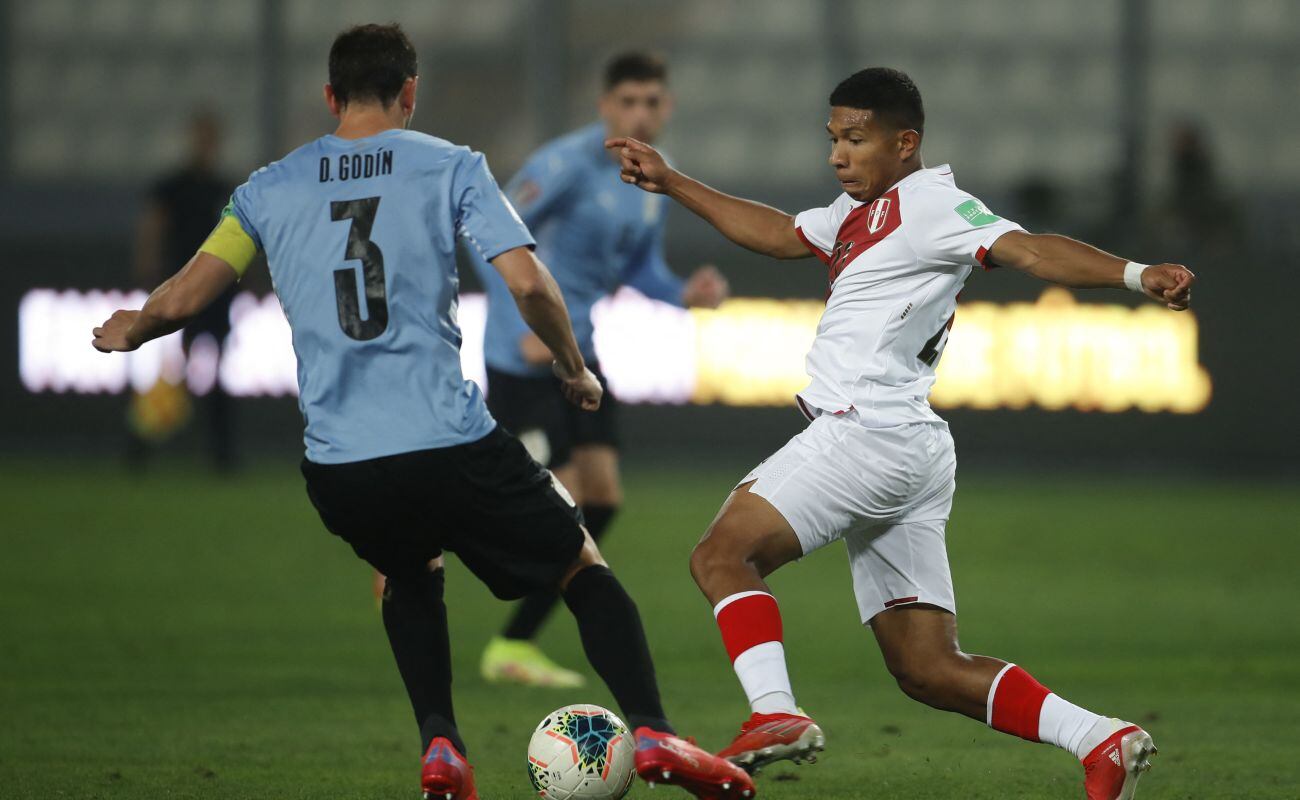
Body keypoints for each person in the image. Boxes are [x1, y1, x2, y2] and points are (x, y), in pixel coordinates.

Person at [91, 24, 753, 800]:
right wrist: (573, 367)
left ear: (329, 97)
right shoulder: (451, 167)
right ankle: (652, 731)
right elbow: (532, 285)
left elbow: (187, 293)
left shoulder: (266, 189)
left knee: (410, 575)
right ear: (410, 93)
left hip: (340, 465)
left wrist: (134, 326)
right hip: (448, 439)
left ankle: (441, 749)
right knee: (579, 561)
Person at [610, 67, 1194, 800]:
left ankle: (775, 714)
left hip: (864, 433)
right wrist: (675, 182)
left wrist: (1139, 275)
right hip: (911, 449)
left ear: (905, 142)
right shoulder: (862, 211)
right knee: (926, 667)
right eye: (832, 139)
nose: (837, 155)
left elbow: (1031, 251)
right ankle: (1100, 739)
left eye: (855, 139)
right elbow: (782, 234)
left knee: (722, 556)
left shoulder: (930, 206)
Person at [465, 51, 728, 689]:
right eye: (629, 101)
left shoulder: (648, 181)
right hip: (524, 355)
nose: (640, 113)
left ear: (666, 108)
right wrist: (523, 327)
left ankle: (512, 645)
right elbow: (486, 233)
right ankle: (430, 534)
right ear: (606, 106)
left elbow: (639, 268)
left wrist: (681, 293)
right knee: (552, 502)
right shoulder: (563, 164)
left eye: (652, 102)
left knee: (601, 499)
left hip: (579, 354)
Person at [131, 110, 238, 469]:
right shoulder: (174, 187)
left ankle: (220, 454)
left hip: (218, 293)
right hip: (182, 289)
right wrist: (150, 267)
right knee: (174, 373)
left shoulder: (222, 188)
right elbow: (154, 225)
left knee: (217, 371)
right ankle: (142, 446)